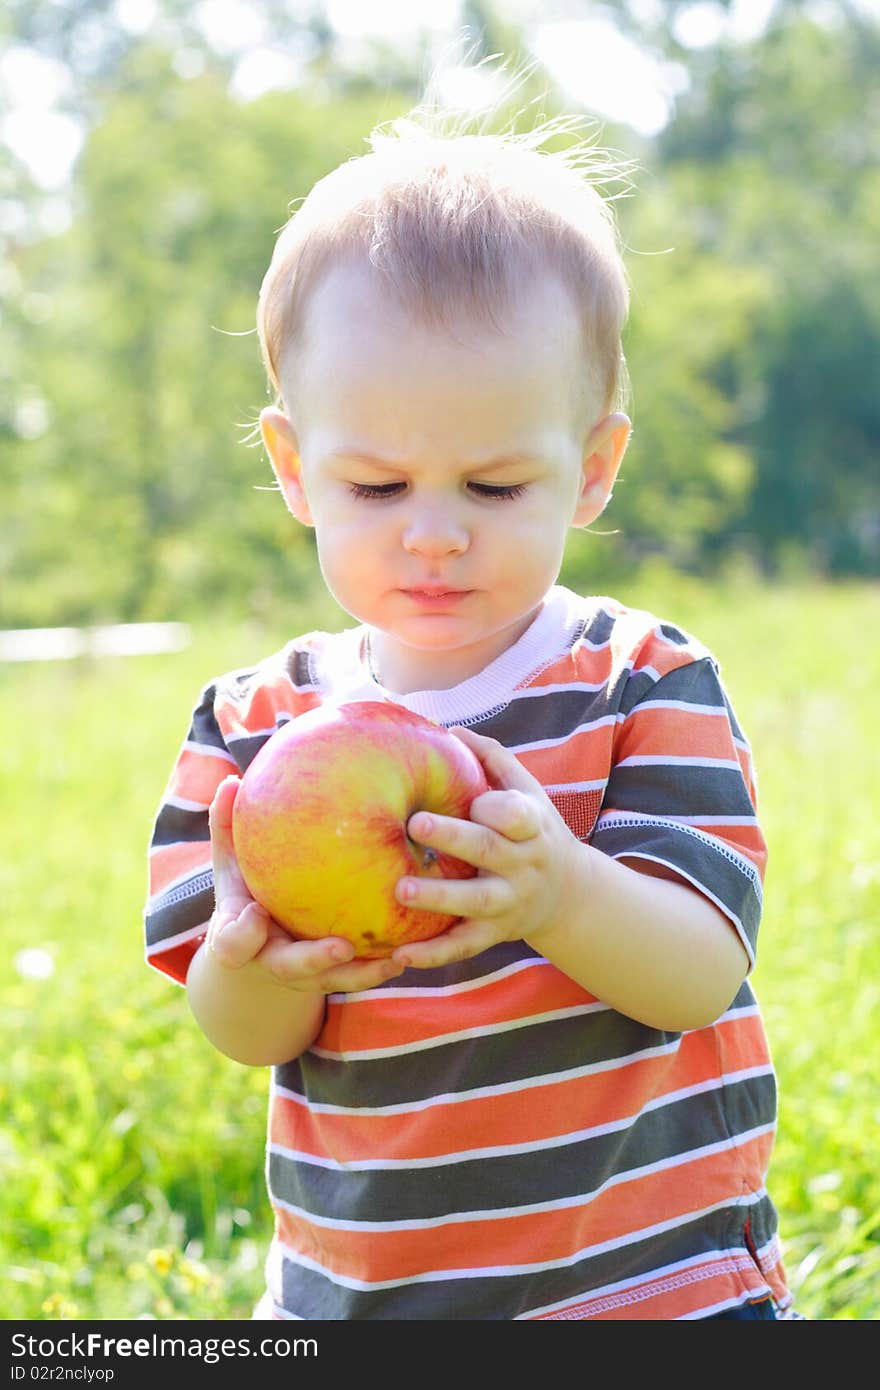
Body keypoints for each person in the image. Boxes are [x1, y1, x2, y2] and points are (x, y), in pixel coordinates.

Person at [144, 90, 797, 1321]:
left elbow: (698, 971)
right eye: (377, 483)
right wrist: (253, 959)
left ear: (592, 468)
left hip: (645, 1291)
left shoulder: (640, 682)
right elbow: (242, 1030)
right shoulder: (254, 728)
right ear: (294, 468)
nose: (434, 534)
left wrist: (558, 890)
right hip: (365, 1298)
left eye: (495, 485)